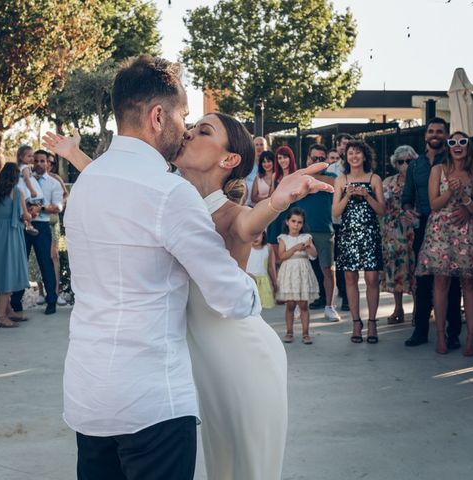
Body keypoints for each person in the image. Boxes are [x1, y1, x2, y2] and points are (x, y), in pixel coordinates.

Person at [46, 107, 331, 478]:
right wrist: (72, 154)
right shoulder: (166, 193)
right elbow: (116, 182)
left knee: (242, 468)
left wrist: (277, 201)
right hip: (193, 360)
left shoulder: (230, 215)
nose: (190, 133)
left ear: (229, 159)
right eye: (193, 126)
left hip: (240, 358)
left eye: (204, 132)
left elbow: (252, 221)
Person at [416, 132, 473, 355]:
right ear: (448, 147)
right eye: (453, 142)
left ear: (469, 146)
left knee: (468, 283)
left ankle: (471, 339)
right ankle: (440, 336)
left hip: (467, 232)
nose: (457, 146)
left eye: (462, 142)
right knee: (441, 283)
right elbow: (434, 204)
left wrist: (466, 202)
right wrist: (450, 191)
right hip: (440, 231)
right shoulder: (438, 170)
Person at [401, 118, 463, 349]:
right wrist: (408, 212)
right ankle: (420, 330)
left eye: (439, 131)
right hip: (424, 224)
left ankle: (453, 332)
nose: (435, 134)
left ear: (446, 135)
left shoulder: (453, 162)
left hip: (451, 225)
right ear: (425, 135)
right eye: (431, 131)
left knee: (452, 281)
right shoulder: (415, 166)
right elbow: (407, 198)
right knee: (423, 280)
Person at [333, 140, 385, 344]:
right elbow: (335, 212)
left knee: (372, 279)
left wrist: (367, 196)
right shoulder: (340, 180)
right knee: (349, 279)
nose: (354, 156)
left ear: (365, 156)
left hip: (370, 234)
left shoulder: (374, 179)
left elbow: (382, 210)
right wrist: (347, 195)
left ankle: (372, 322)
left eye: (358, 153)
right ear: (346, 157)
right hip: (348, 235)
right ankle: (356, 323)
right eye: (350, 153)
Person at [10, 149, 64, 316]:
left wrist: (41, 208)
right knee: (20, 262)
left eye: (43, 161)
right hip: (22, 226)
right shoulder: (23, 180)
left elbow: (58, 206)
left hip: (42, 227)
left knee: (46, 263)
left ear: (48, 163)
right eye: (36, 161)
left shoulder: (54, 184)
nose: (39, 164)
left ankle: (51, 301)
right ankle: (15, 301)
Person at [0, 163, 32, 328]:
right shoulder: (18, 192)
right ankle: (0, 315)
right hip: (11, 235)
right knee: (9, 272)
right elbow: (25, 216)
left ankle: (8, 310)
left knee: (3, 269)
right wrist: (32, 213)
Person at [297, 143, 341, 322]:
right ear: (308, 158)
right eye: (314, 158)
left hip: (324, 230)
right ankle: (299, 306)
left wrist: (314, 181)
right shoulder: (300, 175)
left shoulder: (331, 176)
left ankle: (329, 307)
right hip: (301, 230)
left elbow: (336, 184)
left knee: (328, 270)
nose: (317, 161)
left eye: (321, 159)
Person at [381, 145, 417, 324]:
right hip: (393, 231)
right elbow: (380, 207)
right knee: (395, 270)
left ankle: (419, 309)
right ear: (395, 164)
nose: (405, 165)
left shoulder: (418, 180)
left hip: (412, 230)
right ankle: (398, 308)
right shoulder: (388, 181)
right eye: (401, 161)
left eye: (409, 161)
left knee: (414, 269)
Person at [28, 149, 69, 306]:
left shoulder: (55, 179)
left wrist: (55, 204)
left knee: (53, 256)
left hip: (51, 221)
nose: (45, 164)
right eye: (36, 161)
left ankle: (55, 292)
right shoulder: (28, 179)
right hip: (33, 222)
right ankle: (40, 292)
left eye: (48, 162)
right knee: (36, 257)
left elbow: (65, 196)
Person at [276, 207, 319, 344]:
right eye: (293, 221)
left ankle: (306, 333)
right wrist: (295, 248)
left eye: (299, 222)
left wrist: (308, 247)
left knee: (303, 305)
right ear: (287, 222)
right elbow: (282, 256)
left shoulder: (306, 238)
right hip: (289, 273)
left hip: (302, 272)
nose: (296, 224)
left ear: (303, 224)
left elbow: (314, 255)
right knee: (290, 305)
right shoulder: (283, 238)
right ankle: (289, 332)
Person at [328, 134, 352, 310]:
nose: (344, 148)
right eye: (342, 144)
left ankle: (346, 296)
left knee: (345, 259)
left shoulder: (355, 168)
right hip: (334, 219)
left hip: (350, 220)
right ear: (338, 146)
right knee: (335, 260)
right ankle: (340, 292)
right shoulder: (331, 169)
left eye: (347, 145)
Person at [266, 146, 297, 253]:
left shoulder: (296, 175)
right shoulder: (275, 176)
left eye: (285, 157)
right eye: (279, 158)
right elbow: (271, 196)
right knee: (274, 246)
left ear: (291, 158)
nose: (282, 161)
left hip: (291, 213)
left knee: (289, 247)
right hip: (276, 214)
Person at [247, 231, 277, 309]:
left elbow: (270, 267)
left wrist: (274, 282)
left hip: (264, 283)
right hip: (249, 281)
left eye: (258, 234)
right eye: (253, 234)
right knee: (249, 307)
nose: (255, 238)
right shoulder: (246, 247)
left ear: (263, 235)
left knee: (263, 308)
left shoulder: (268, 247)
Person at [15, 145, 41, 236]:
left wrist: (34, 176)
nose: (31, 158)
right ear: (21, 157)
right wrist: (32, 190)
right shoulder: (25, 167)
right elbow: (26, 179)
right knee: (27, 206)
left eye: (32, 156)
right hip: (25, 189)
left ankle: (28, 224)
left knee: (26, 207)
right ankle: (28, 224)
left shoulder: (22, 167)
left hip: (22, 188)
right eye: (29, 156)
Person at [245, 136, 268, 206]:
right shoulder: (246, 164)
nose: (259, 147)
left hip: (265, 206)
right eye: (256, 145)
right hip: (246, 205)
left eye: (261, 144)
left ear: (266, 147)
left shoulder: (270, 165)